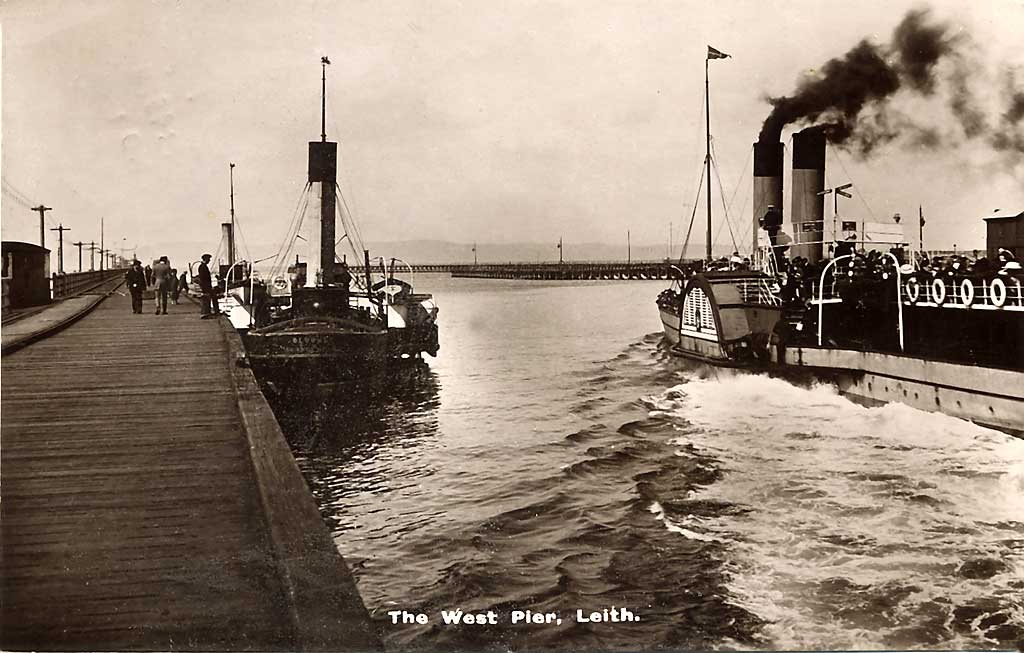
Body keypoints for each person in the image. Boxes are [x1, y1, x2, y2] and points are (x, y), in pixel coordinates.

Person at [198, 253, 219, 319]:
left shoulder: (203, 266)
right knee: (207, 299)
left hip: (206, 286)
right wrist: (206, 287)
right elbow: (203, 278)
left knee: (210, 299)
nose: (209, 260)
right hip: (206, 286)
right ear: (205, 259)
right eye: (209, 259)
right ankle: (206, 313)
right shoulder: (202, 267)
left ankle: (210, 312)